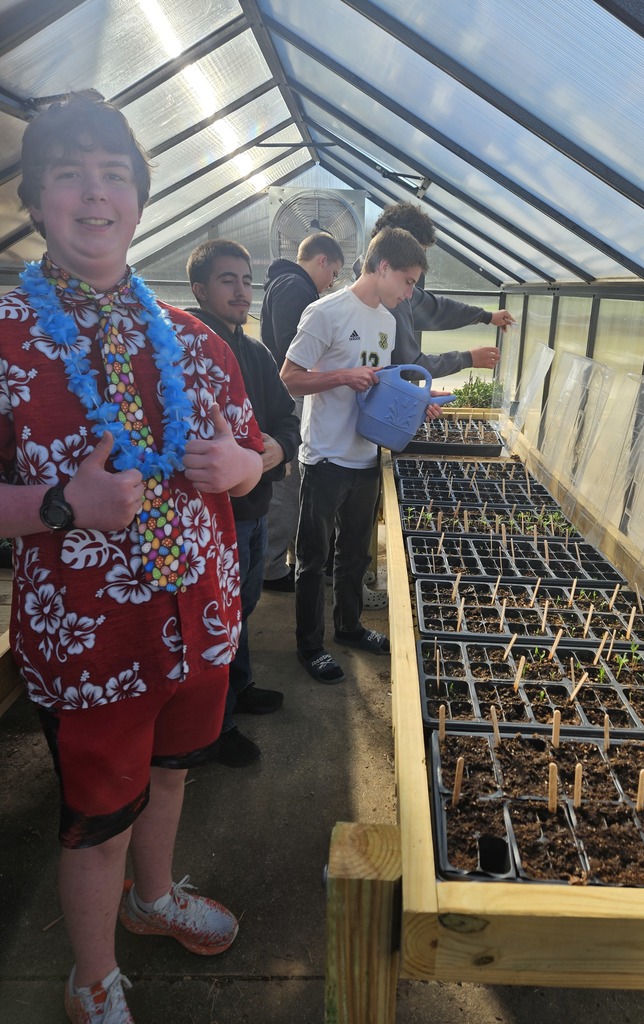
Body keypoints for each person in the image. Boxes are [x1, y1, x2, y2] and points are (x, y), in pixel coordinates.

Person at [0, 93, 264, 1023]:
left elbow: (259, 450)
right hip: (92, 641)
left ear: (142, 201)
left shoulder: (196, 339)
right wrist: (63, 503)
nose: (96, 193)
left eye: (115, 173)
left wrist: (242, 467)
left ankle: (154, 903)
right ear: (36, 200)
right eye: (70, 172)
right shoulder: (3, 336)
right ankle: (90, 979)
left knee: (173, 772)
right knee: (97, 814)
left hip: (202, 618)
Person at [280, 227, 429, 683]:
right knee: (313, 558)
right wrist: (343, 376)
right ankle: (310, 645)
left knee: (354, 557)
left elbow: (379, 381)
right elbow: (288, 377)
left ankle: (348, 627)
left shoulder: (385, 321)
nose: (410, 293)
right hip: (325, 457)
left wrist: (421, 401)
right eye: (407, 281)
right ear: (382, 267)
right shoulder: (325, 312)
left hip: (366, 455)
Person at [186, 239, 300, 768]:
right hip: (205, 521)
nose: (241, 290)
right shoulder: (182, 350)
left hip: (250, 511)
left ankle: (240, 685)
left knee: (242, 607)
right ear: (199, 290)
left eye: (246, 280)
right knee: (215, 613)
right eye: (227, 280)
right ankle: (215, 724)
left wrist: (279, 446)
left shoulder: (254, 353)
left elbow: (284, 418)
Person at [259, 231, 344, 593]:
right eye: (334, 273)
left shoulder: (289, 285)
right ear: (321, 260)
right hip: (287, 395)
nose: (332, 283)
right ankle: (271, 567)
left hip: (285, 394)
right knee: (286, 482)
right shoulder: (295, 288)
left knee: (291, 482)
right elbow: (292, 350)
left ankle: (284, 558)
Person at [359, 201, 515, 378]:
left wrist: (486, 316)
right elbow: (410, 366)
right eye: (419, 251)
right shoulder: (390, 300)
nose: (420, 259)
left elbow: (435, 309)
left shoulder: (390, 288)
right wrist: (467, 358)